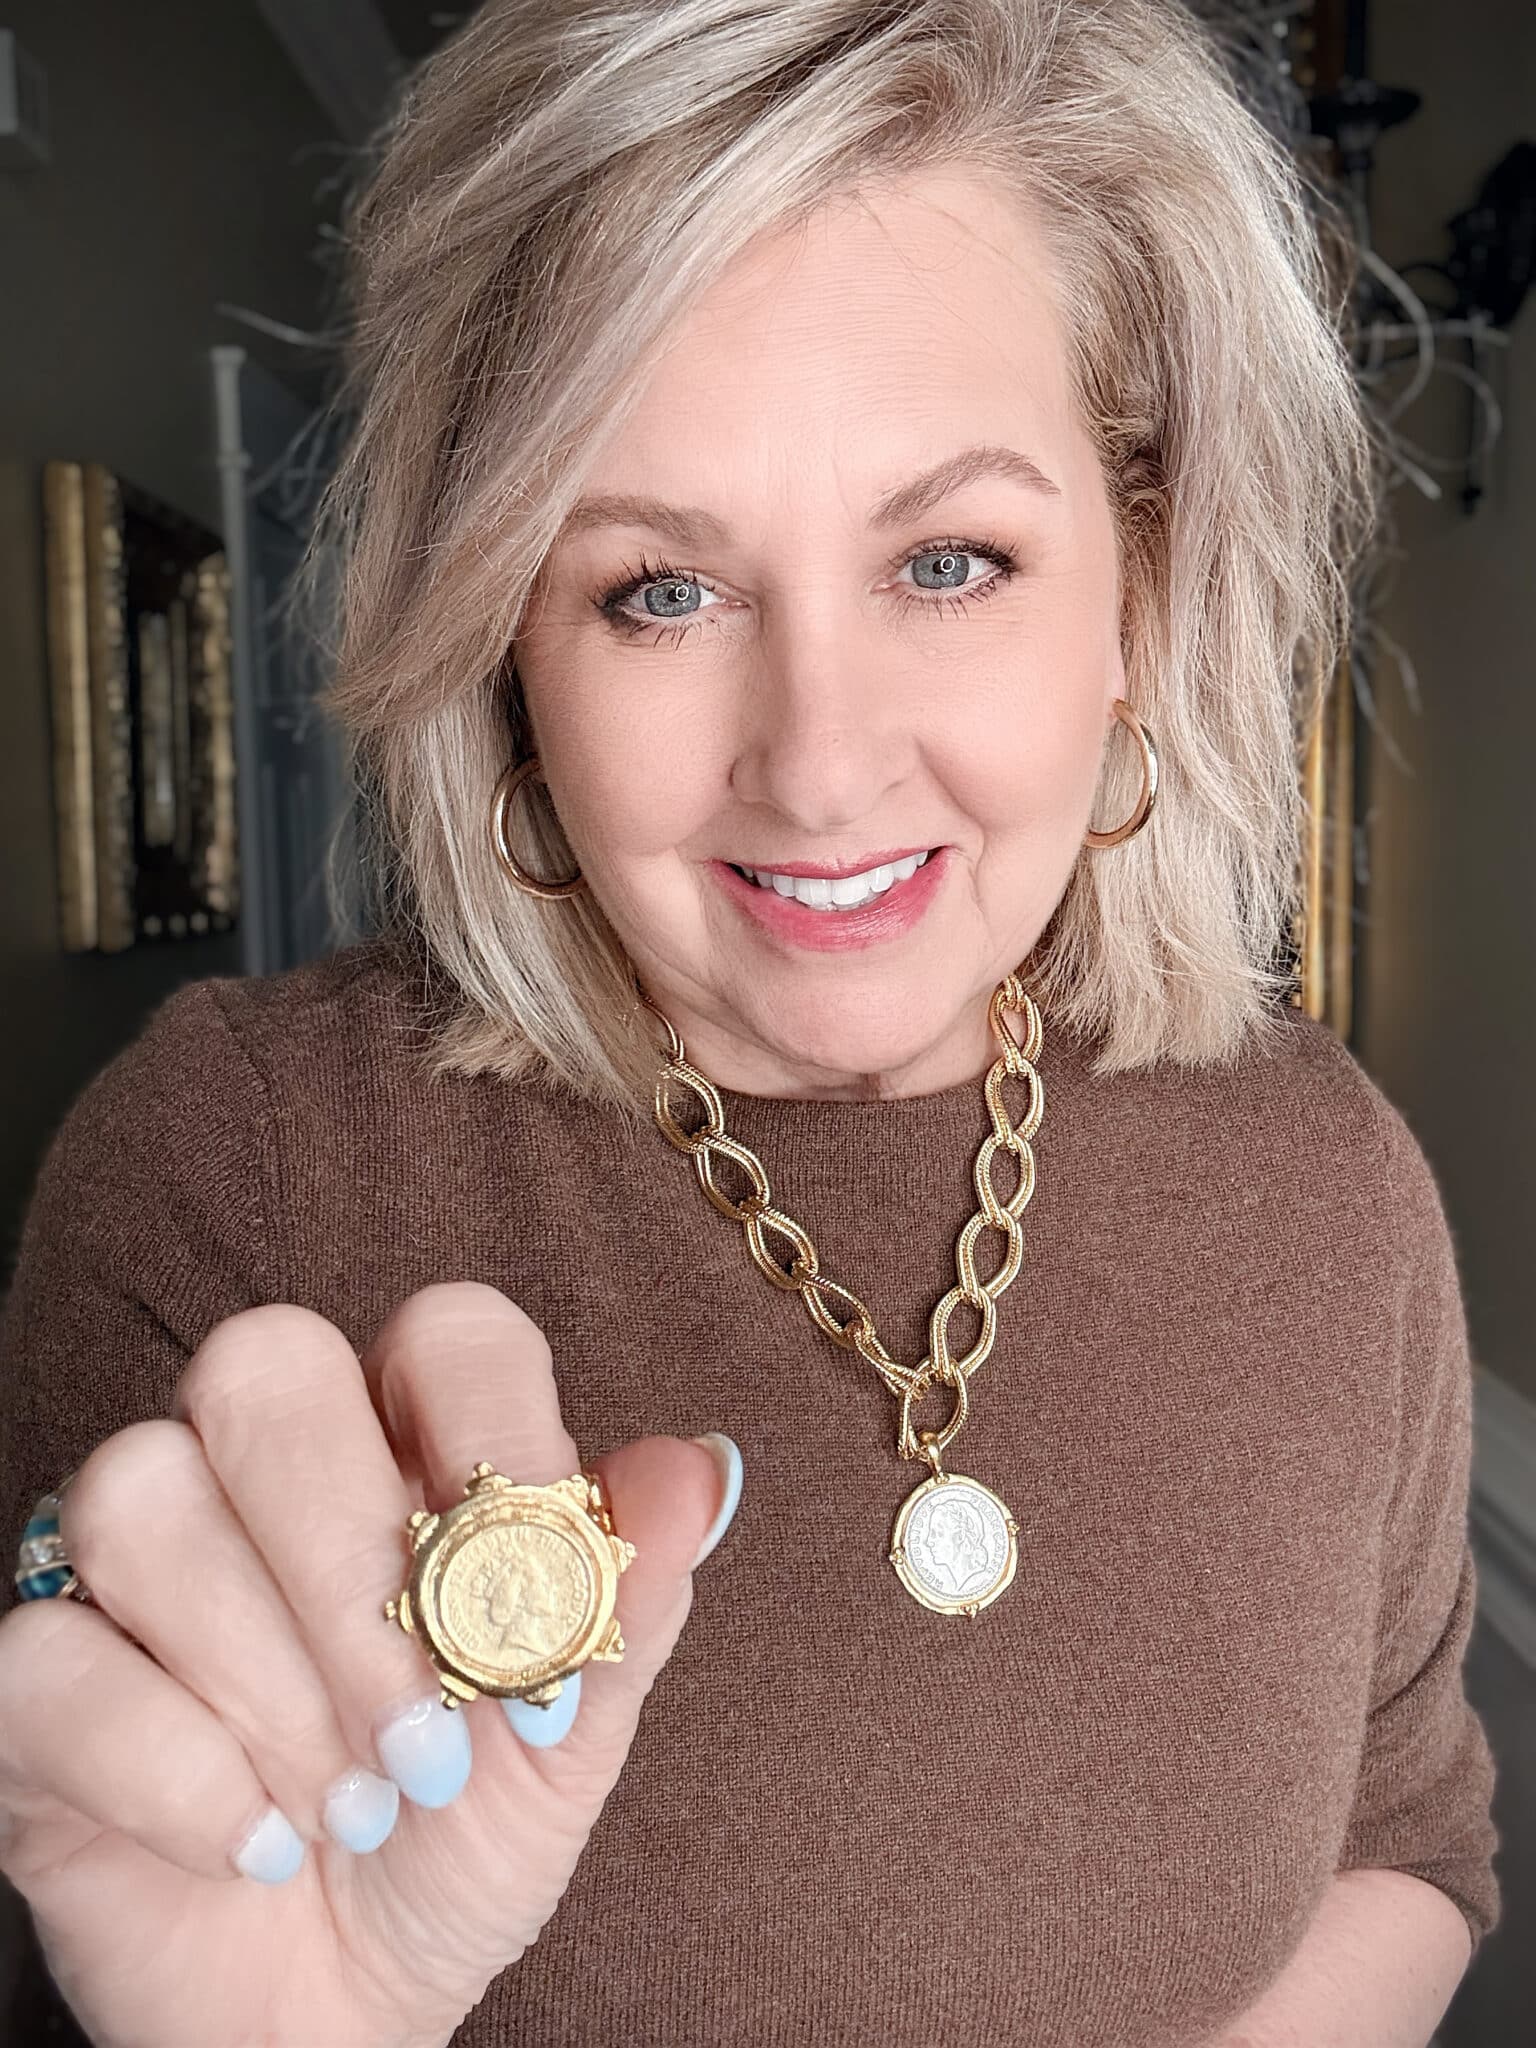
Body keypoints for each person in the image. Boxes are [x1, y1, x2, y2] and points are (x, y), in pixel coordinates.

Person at [0, 1, 1502, 2043]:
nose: (815, 767)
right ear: (506, 633)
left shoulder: (1331, 1178)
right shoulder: (224, 1182)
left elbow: (1406, 1845)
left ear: (1140, 591)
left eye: (950, 559)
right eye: (658, 590)